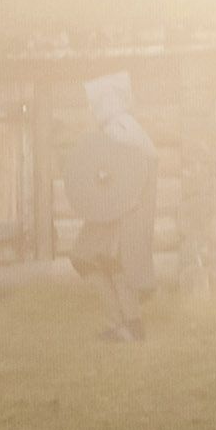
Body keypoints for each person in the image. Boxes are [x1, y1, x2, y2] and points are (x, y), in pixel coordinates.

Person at [69, 71, 154, 341]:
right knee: (106, 261)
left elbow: (128, 172)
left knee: (94, 259)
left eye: (95, 103)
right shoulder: (122, 128)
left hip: (122, 213)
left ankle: (126, 325)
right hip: (115, 210)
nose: (92, 108)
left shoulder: (122, 129)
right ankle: (128, 325)